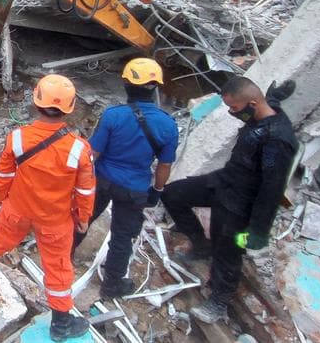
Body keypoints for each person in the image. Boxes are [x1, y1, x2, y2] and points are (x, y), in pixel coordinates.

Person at [0, 74, 96, 341]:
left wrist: (0, 197)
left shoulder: (18, 138)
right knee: (57, 266)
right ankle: (60, 323)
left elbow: (5, 172)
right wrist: (83, 218)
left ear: (36, 103)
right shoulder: (79, 149)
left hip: (19, 207)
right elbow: (85, 190)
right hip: (55, 219)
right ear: (69, 109)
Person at [162, 76, 298, 324]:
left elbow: (272, 188)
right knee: (173, 194)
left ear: (253, 104)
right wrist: (276, 95)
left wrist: (258, 230)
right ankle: (201, 245)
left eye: (235, 108)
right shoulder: (262, 112)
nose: (232, 113)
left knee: (229, 250)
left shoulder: (278, 140)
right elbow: (270, 104)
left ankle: (219, 301)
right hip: (224, 181)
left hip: (241, 203)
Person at [74, 58, 178, 297]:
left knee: (81, 220)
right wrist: (158, 190)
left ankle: (62, 258)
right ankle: (112, 284)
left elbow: (93, 153)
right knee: (122, 236)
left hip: (102, 181)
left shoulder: (113, 116)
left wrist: (79, 181)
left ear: (126, 85)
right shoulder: (168, 124)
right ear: (156, 87)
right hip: (136, 189)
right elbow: (164, 165)